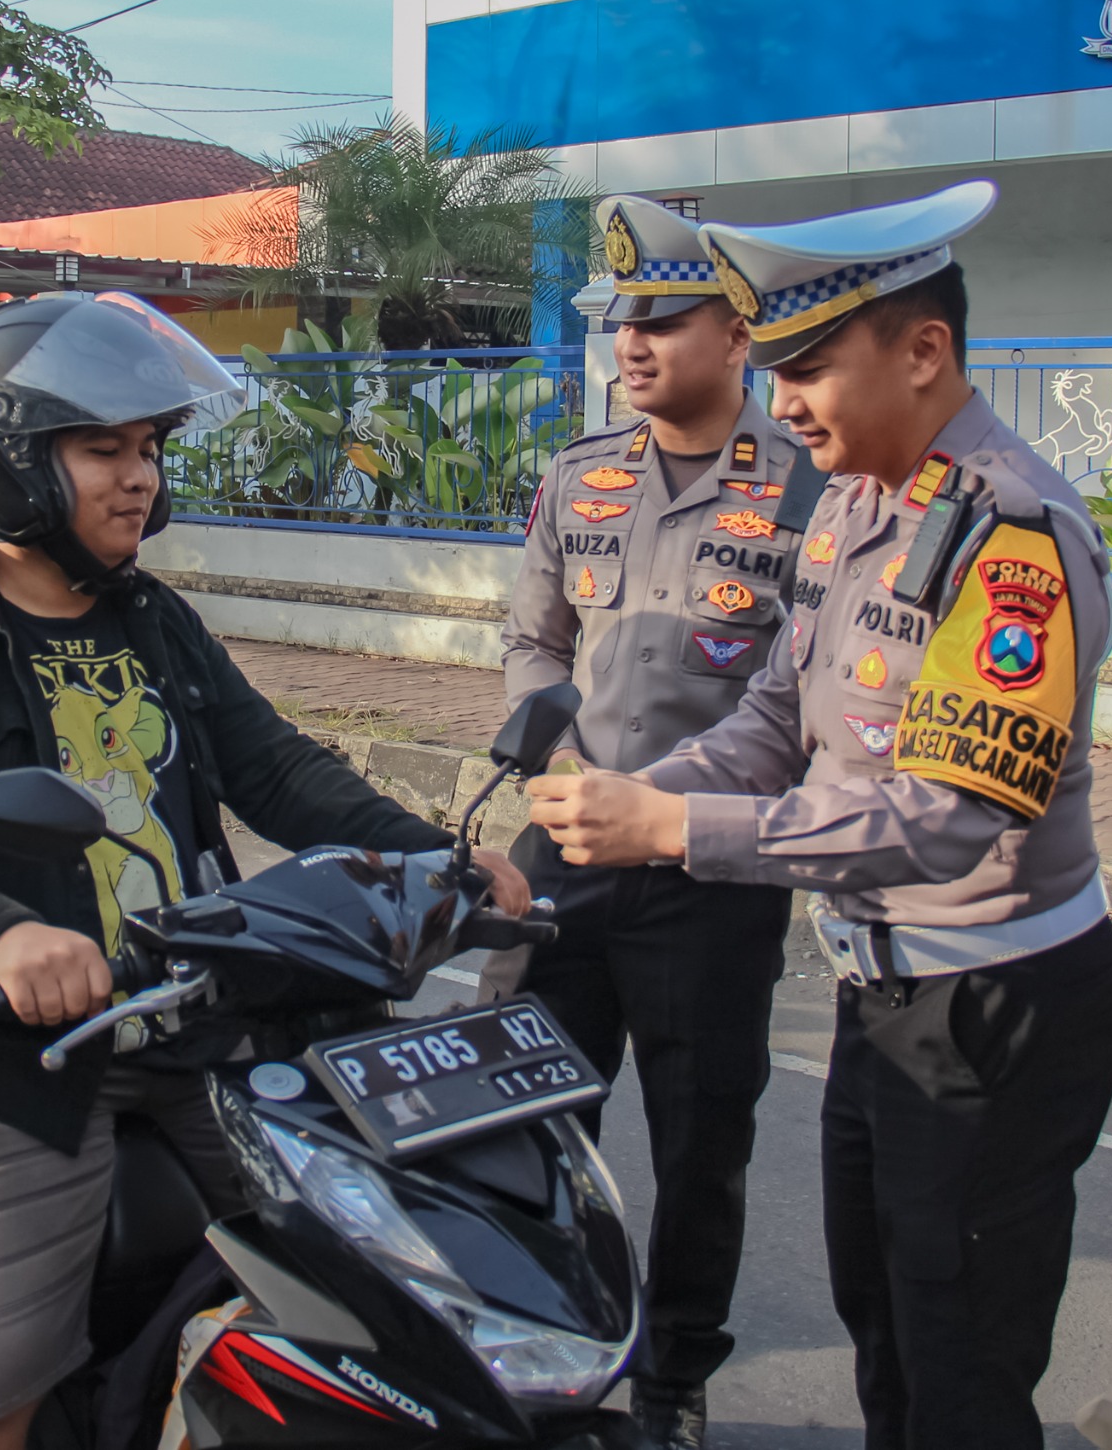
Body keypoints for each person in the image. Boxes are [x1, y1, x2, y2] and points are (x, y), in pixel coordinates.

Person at [0, 293, 528, 1450]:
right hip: (5, 1055)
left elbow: (276, 769)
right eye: (104, 449)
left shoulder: (156, 620)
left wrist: (434, 858)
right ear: (7, 464)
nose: (139, 476)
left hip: (196, 1022)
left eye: (148, 447)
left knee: (378, 1291)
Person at [524, 182, 1112, 1450]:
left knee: (957, 1365)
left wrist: (674, 832)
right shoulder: (856, 501)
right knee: (885, 1336)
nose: (784, 400)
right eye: (776, 369)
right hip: (879, 986)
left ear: (923, 351)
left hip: (988, 1003)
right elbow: (772, 715)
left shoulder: (1011, 535)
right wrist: (643, 795)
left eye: (806, 368)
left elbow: (941, 819)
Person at [498, 195, 827, 1449]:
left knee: (701, 1142)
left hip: (706, 868)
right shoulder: (579, 474)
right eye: (621, 321)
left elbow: (804, 692)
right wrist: (555, 750)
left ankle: (675, 1375)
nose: (632, 344)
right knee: (533, 1118)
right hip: (565, 849)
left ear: (736, 335)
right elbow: (534, 639)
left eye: (664, 320)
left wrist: (673, 806)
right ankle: (548, 1343)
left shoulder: (808, 487)